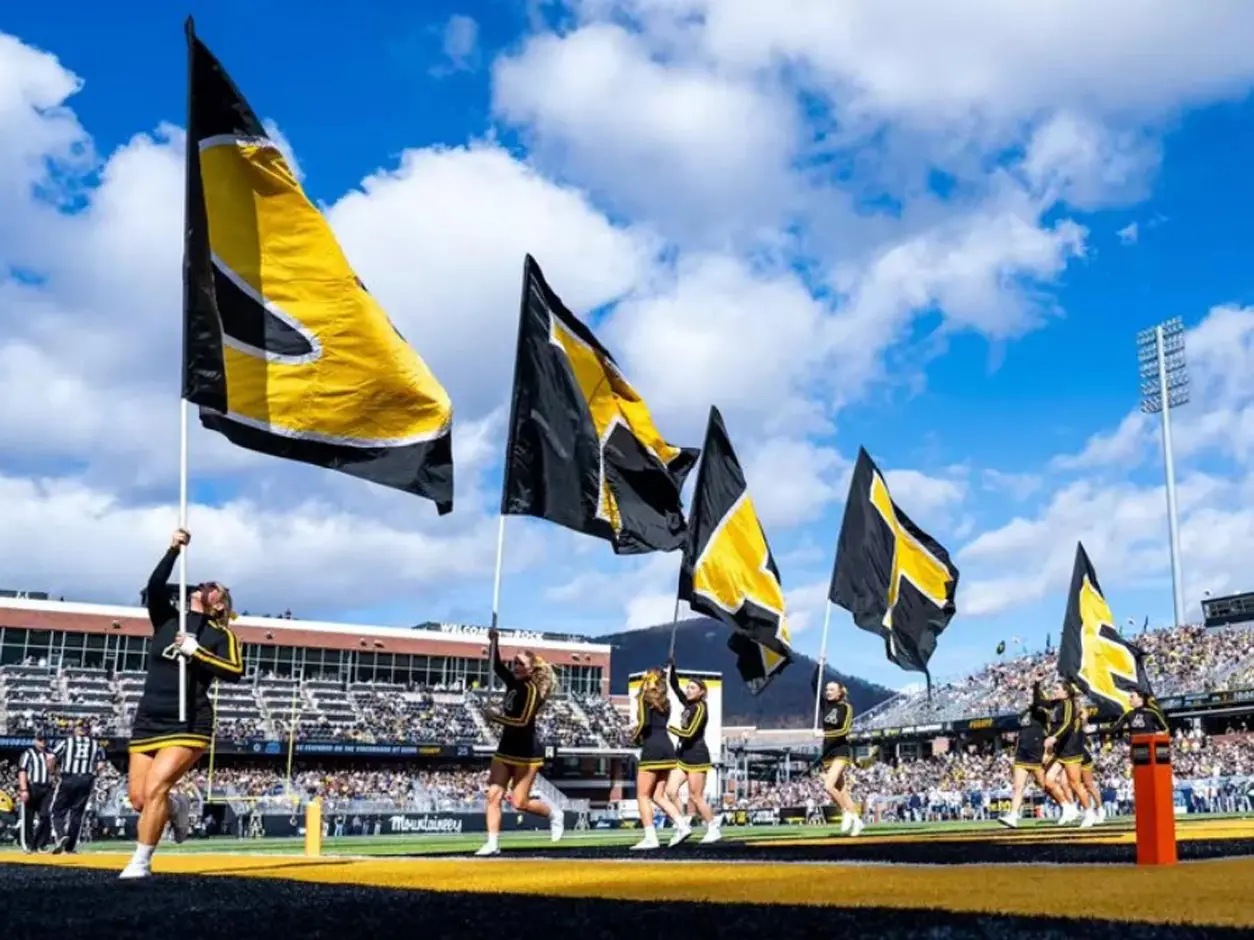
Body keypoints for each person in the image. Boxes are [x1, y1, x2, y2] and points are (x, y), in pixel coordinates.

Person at [119, 528, 244, 880]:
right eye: (203, 583)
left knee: (157, 786)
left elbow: (235, 671)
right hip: (149, 718)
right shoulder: (167, 619)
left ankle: (140, 862)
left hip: (188, 720)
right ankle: (176, 805)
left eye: (214, 586)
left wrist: (197, 651)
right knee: (141, 800)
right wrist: (173, 550)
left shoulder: (221, 635)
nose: (205, 585)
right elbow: (155, 585)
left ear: (219, 604)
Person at [474, 627, 562, 856]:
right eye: (515, 663)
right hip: (506, 748)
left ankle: (553, 814)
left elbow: (522, 721)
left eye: (521, 664)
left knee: (519, 803)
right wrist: (494, 641)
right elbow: (495, 666)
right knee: (493, 795)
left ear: (531, 669)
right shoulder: (512, 682)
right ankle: (492, 843)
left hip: (527, 752)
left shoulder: (532, 690)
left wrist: (495, 718)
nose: (516, 667)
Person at [662, 658, 719, 846]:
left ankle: (713, 827)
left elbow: (690, 732)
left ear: (702, 691)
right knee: (670, 792)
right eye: (688, 687)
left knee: (696, 796)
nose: (688, 690)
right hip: (683, 755)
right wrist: (672, 668)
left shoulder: (701, 707)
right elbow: (674, 685)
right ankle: (683, 824)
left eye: (693, 688)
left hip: (697, 756)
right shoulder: (687, 704)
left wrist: (670, 729)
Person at [999, 680, 1069, 829]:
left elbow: (1048, 732)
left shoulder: (1043, 712)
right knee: (1017, 787)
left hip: (1035, 752)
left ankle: (1066, 806)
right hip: (1022, 752)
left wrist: (1046, 752)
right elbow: (1020, 729)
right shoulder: (1026, 713)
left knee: (1045, 785)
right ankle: (1013, 816)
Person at [629, 668, 685, 851]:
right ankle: (682, 825)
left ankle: (650, 836)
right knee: (657, 795)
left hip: (652, 747)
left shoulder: (644, 698)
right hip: (667, 747)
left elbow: (644, 723)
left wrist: (635, 738)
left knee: (642, 795)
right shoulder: (666, 701)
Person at [813, 667, 863, 836]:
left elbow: (844, 731)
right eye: (827, 689)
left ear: (840, 692)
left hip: (840, 750)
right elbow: (814, 684)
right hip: (827, 752)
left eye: (832, 689)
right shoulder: (825, 705)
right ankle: (857, 821)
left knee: (828, 786)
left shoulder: (846, 707)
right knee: (841, 791)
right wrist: (819, 667)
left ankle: (846, 813)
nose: (828, 692)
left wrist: (824, 733)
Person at [49, 722, 108, 854]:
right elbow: (101, 764)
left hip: (69, 777)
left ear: (75, 729)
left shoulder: (68, 742)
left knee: (57, 810)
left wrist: (53, 772)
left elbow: (52, 757)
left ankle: (61, 835)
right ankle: (70, 847)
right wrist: (93, 775)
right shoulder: (95, 744)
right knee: (77, 813)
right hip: (86, 779)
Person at [1045, 683, 1095, 828]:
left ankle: (1089, 812)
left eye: (1057, 689)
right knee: (1048, 780)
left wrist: (1054, 737)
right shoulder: (1057, 705)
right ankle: (1068, 807)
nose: (1054, 691)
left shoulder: (1068, 704)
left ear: (1066, 692)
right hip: (1061, 750)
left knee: (1075, 784)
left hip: (1070, 749)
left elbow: (1067, 724)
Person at [17, 732, 54, 854]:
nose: (43, 742)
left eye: (44, 740)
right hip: (32, 787)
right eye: (40, 740)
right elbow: (22, 771)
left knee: (46, 815)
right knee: (29, 816)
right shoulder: (28, 753)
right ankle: (29, 843)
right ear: (35, 741)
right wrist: (23, 789)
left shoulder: (50, 753)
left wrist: (51, 764)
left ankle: (41, 843)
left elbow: (53, 772)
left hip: (46, 787)